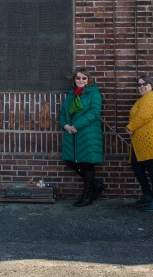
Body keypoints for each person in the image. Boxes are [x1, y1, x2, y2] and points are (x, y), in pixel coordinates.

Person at [59, 67, 105, 207]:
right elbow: (63, 112)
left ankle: (87, 196)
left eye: (84, 78)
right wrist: (65, 125)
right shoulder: (71, 94)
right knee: (71, 162)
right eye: (78, 78)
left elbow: (94, 112)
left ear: (88, 80)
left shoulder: (94, 93)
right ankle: (96, 185)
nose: (81, 80)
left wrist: (76, 125)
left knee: (87, 163)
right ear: (74, 80)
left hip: (88, 133)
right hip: (72, 134)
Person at [125, 74, 153, 212]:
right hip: (143, 142)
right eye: (139, 84)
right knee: (137, 166)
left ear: (151, 85)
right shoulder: (143, 98)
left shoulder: (150, 97)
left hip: (152, 140)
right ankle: (148, 195)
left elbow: (144, 116)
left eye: (144, 84)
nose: (141, 86)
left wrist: (130, 127)